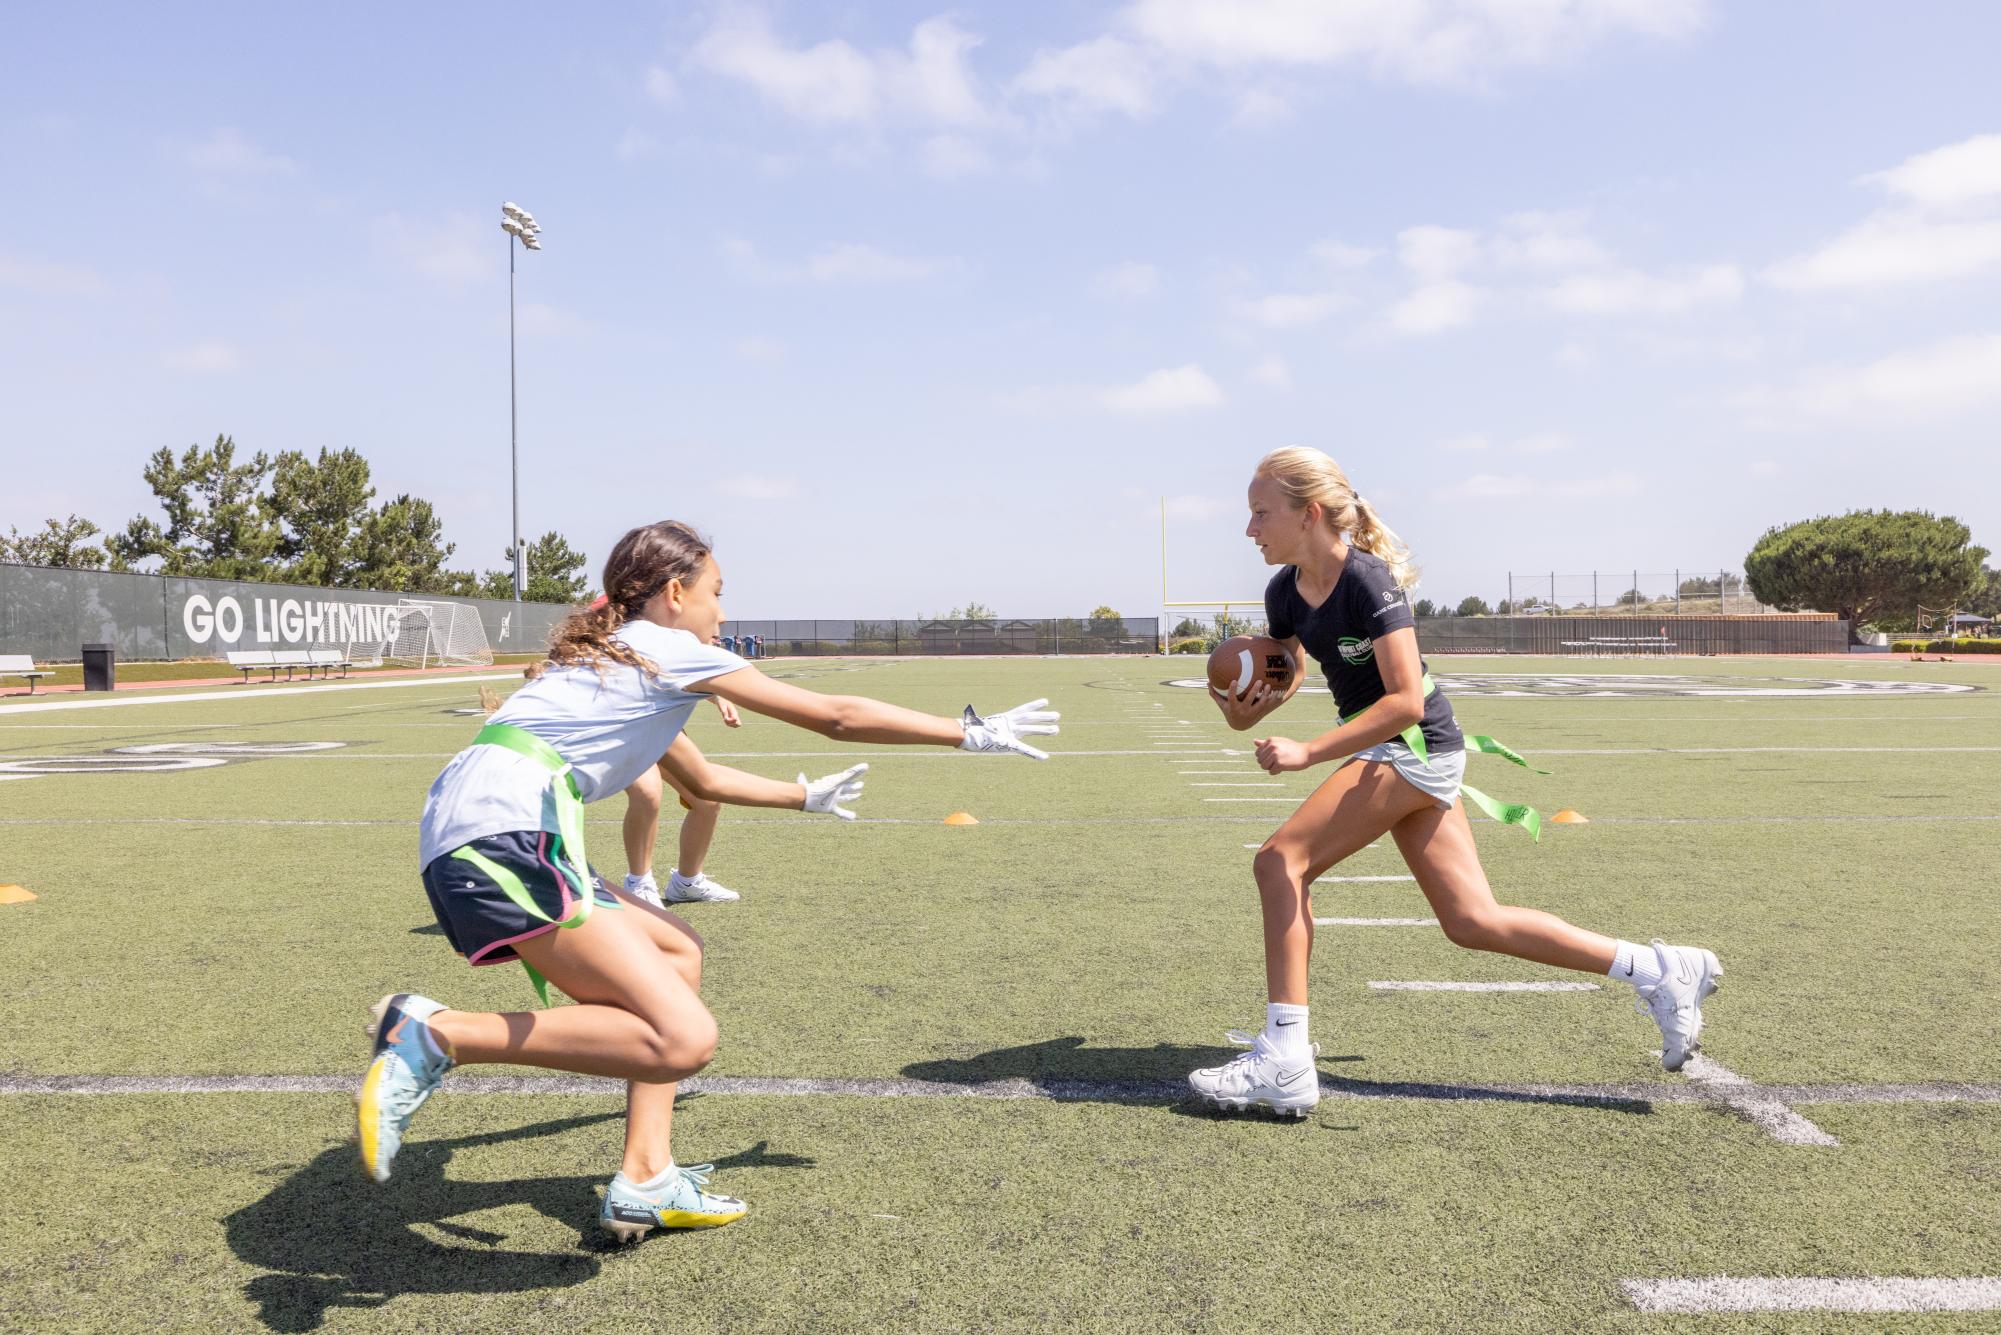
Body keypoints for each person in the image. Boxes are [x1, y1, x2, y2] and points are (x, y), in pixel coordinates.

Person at [360, 520, 1059, 1241]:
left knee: (677, 951)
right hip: (504, 828)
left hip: (492, 821)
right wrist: (965, 729)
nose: (721, 612)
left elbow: (701, 779)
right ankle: (438, 1033)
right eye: (715, 593)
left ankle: (645, 1175)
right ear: (673, 593)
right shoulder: (669, 648)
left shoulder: (618, 657)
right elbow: (837, 716)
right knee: (684, 1039)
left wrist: (803, 796)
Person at [1187, 447, 1721, 1118]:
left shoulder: (1369, 581)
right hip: (1394, 747)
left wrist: (1308, 752)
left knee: (1278, 861)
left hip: (1410, 744)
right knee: (1472, 921)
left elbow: (1406, 700)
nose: (1249, 529)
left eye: (1260, 513)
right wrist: (1247, 709)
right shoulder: (1284, 591)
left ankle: (1284, 1058)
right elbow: (1285, 669)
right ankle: (1659, 970)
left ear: (1309, 513)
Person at [623, 697, 745, 906]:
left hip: (660, 723)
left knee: (706, 800)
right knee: (647, 794)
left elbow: (672, 670)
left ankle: (687, 883)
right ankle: (639, 883)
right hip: (616, 725)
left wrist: (717, 697)